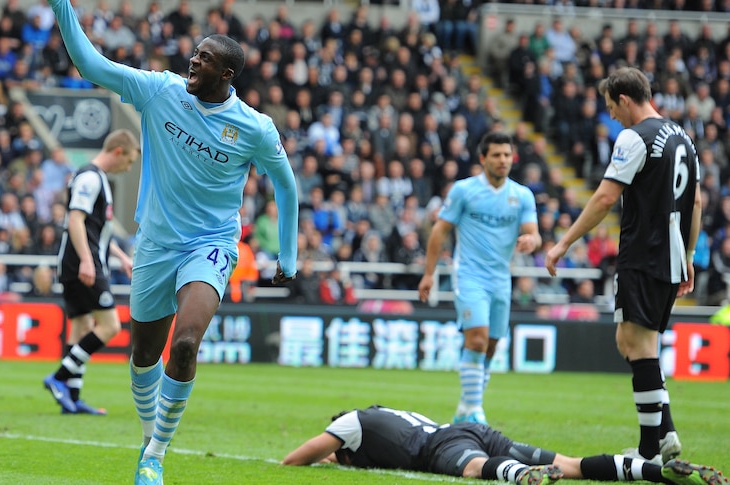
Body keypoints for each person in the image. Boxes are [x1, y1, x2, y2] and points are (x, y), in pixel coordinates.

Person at [49, 1, 299, 483]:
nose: (193, 60)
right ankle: (149, 436)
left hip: (210, 245)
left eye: (204, 58)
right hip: (155, 246)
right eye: (194, 53)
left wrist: (287, 253)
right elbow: (90, 64)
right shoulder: (159, 91)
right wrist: (63, 6)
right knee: (144, 356)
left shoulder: (254, 127)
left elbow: (286, 186)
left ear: (227, 73)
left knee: (185, 343)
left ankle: (155, 455)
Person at [545, 67, 700, 465]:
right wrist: (688, 254)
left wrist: (564, 242)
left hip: (643, 254)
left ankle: (654, 446)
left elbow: (603, 198)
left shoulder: (635, 137)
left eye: (612, 106)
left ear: (625, 99)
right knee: (629, 343)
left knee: (639, 346)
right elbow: (696, 203)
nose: (611, 115)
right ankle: (662, 435)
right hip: (669, 256)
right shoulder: (683, 137)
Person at [282, 404, 728, 485]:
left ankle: (521, 477)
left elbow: (294, 459)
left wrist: (334, 456)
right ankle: (655, 472)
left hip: (443, 446)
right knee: (571, 465)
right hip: (471, 429)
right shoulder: (380, 413)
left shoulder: (350, 425)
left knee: (477, 469)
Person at [418, 131, 540, 425]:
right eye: (497, 155)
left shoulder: (521, 195)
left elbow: (533, 232)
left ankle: (465, 407)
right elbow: (440, 231)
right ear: (483, 159)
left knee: (492, 345)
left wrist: (530, 241)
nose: (503, 160)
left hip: (501, 278)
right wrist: (429, 274)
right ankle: (474, 410)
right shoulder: (463, 191)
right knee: (477, 338)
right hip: (469, 275)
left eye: (507, 155)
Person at [42, 129, 138, 415]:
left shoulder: (99, 180)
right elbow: (75, 219)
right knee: (110, 326)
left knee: (82, 328)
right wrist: (86, 259)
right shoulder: (89, 177)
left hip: (82, 260)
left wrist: (121, 257)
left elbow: (100, 234)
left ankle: (71, 398)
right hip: (81, 263)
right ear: (118, 151)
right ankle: (58, 378)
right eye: (130, 161)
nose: (128, 168)